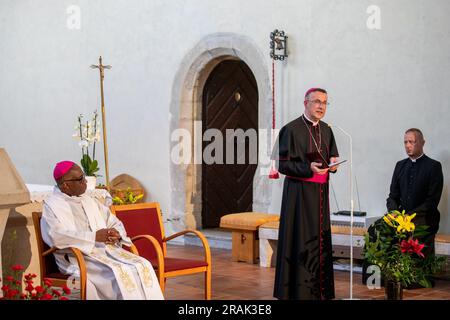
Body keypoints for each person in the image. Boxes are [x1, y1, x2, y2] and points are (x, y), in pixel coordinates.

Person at [41, 161, 164, 300]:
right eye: (80, 179)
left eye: (84, 176)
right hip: (78, 258)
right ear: (65, 185)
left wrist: (116, 233)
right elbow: (55, 236)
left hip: (106, 251)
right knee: (117, 274)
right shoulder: (52, 206)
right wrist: (93, 237)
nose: (85, 181)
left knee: (142, 265)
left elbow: (113, 221)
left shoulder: (89, 201)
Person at [273, 88, 340, 300]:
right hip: (298, 198)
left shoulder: (328, 130)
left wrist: (334, 165)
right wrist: (307, 168)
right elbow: (282, 165)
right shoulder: (290, 129)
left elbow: (333, 158)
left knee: (320, 241)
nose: (321, 106)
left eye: (325, 103)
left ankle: (321, 291)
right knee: (299, 240)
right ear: (306, 103)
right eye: (317, 101)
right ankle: (297, 292)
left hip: (320, 195)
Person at [363, 128, 444, 286]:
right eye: (405, 142)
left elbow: (432, 201)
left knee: (410, 231)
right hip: (399, 216)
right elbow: (392, 196)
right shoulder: (400, 165)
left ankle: (410, 280)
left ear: (422, 143)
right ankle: (378, 279)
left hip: (423, 217)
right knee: (375, 229)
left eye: (411, 142)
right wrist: (394, 213)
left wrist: (409, 217)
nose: (408, 145)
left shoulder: (433, 166)